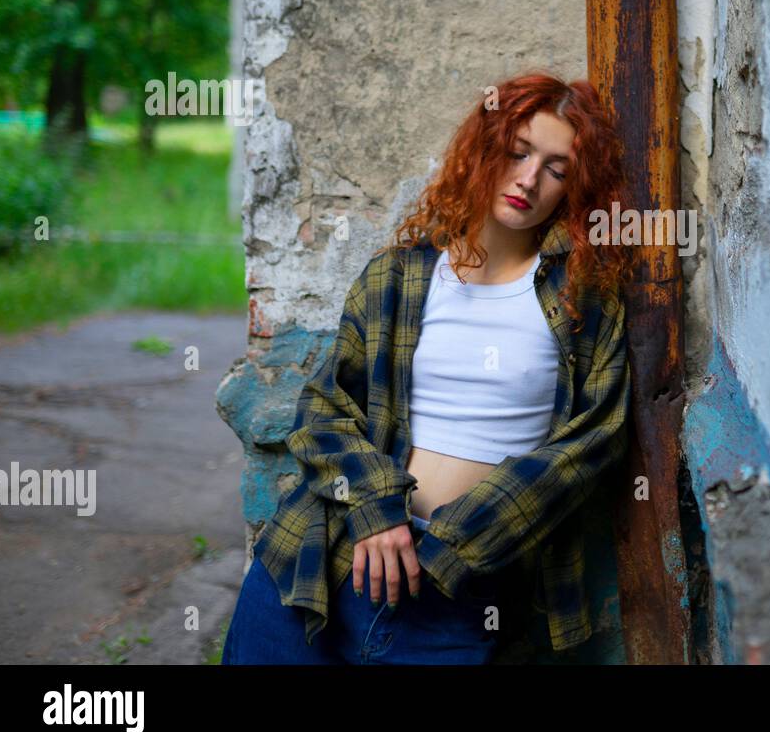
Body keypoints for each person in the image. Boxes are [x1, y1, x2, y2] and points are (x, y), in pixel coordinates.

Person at [222, 71, 634, 664]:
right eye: (518, 153)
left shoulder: (582, 298)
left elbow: (594, 442)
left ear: (574, 186)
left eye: (557, 168)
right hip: (321, 559)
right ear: (486, 151)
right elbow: (324, 410)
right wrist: (377, 509)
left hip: (454, 591)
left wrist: (453, 547)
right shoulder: (398, 276)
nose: (528, 179)